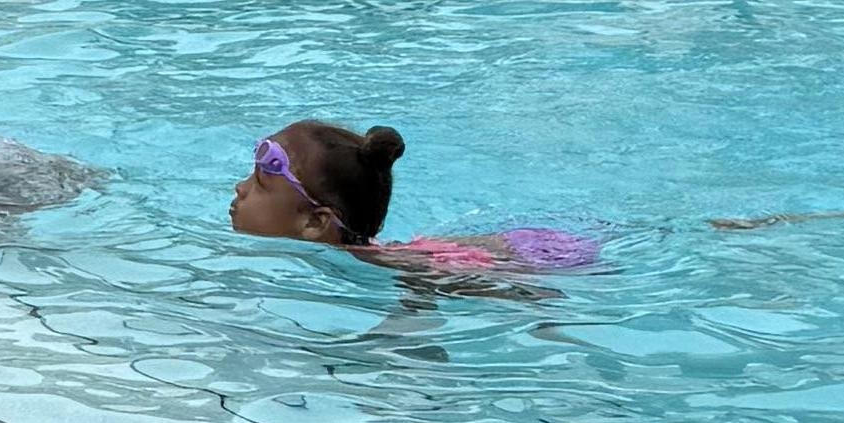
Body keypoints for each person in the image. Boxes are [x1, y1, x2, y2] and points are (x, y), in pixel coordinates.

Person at [230, 118, 598, 284]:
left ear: (314, 222)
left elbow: (526, 292)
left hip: (551, 258)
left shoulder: (384, 269)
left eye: (260, 184)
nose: (240, 188)